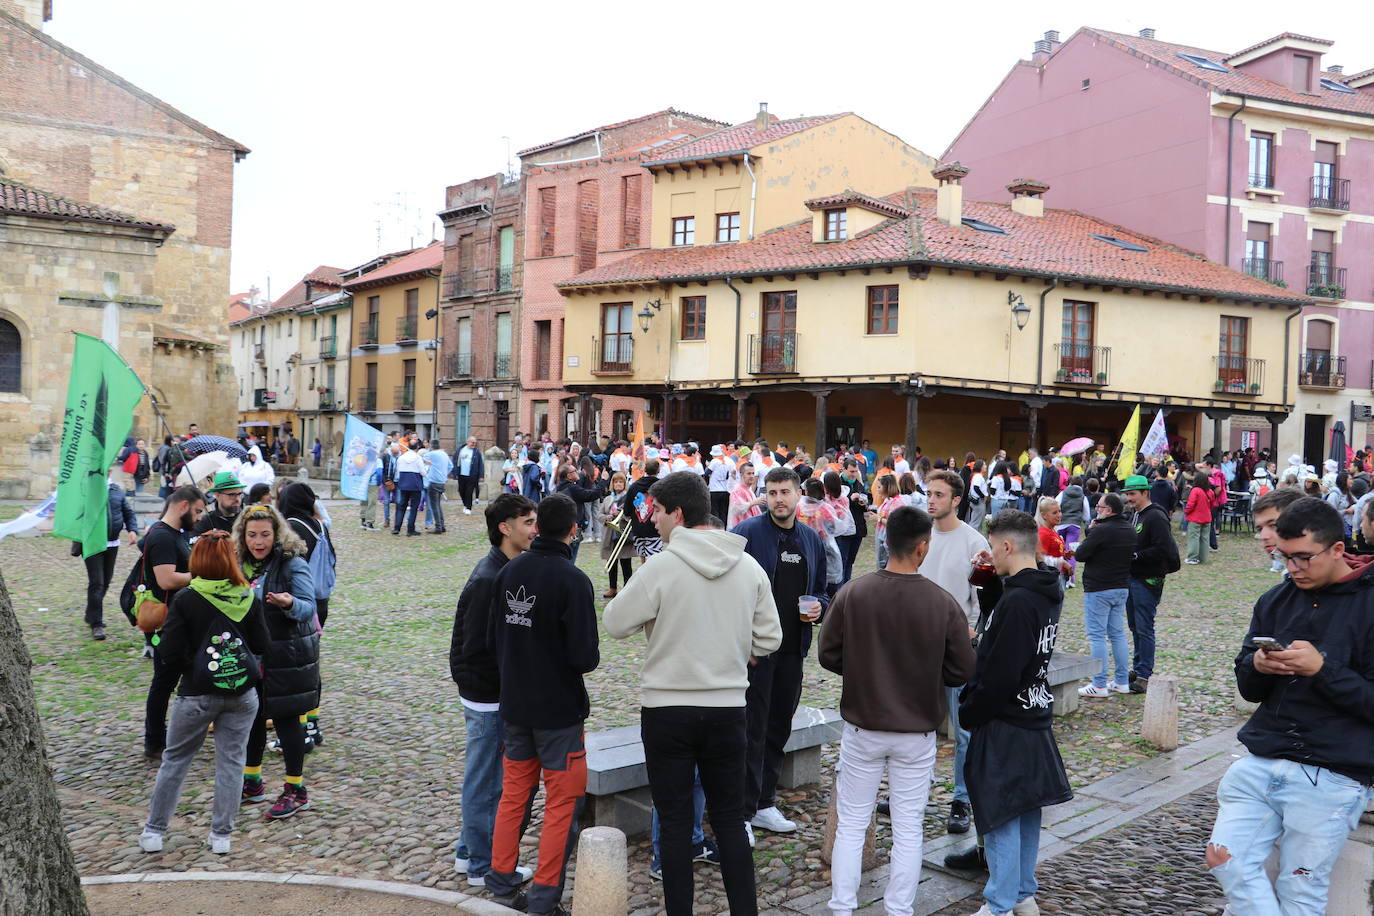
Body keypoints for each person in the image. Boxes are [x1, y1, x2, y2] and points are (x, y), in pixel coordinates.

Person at [605, 472, 781, 915]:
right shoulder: (749, 566)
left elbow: (614, 622)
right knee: (728, 820)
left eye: (658, 512)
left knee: (678, 822)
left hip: (668, 710)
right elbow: (770, 638)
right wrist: (736, 644)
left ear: (678, 514)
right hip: (726, 709)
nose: (653, 521)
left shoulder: (660, 567)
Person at [1206, 497, 1374, 914]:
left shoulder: (1368, 605)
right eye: (1285, 558)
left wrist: (1321, 669)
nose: (1293, 568)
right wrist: (1259, 664)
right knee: (1227, 862)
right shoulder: (1275, 600)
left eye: (1303, 558)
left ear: (1337, 549)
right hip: (1260, 760)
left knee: (1300, 892)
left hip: (1332, 773)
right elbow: (1248, 687)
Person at [819, 506, 976, 916]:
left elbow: (828, 653)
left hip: (864, 724)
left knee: (853, 824)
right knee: (909, 827)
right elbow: (962, 669)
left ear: (886, 542)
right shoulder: (942, 603)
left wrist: (861, 671)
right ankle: (899, 910)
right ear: (923, 547)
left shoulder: (854, 592)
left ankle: (841, 907)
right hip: (916, 729)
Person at [485, 493, 600, 915]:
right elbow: (584, 657)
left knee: (514, 795)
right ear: (573, 530)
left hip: (515, 705)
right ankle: (545, 898)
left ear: (537, 528)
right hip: (558, 713)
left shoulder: (510, 570)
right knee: (561, 804)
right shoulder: (572, 580)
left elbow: (492, 639)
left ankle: (500, 878)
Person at [961, 510, 1073, 916]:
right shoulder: (1045, 587)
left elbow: (999, 671)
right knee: (1025, 809)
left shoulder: (1020, 601)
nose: (990, 554)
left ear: (1007, 546)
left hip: (1006, 719)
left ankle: (999, 904)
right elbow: (1010, 636)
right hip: (1034, 713)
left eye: (993, 546)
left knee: (1002, 813)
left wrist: (969, 710)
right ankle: (1023, 893)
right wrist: (991, 592)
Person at [137, 530, 270, 855]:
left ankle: (154, 832)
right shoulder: (246, 596)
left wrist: (193, 667)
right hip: (241, 694)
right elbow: (263, 645)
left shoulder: (188, 598)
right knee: (231, 762)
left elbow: (168, 649)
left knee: (176, 760)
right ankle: (221, 835)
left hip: (196, 694)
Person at [734, 467, 829, 840]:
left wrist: (819, 605)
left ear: (798, 493)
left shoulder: (811, 539)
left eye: (784, 492)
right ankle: (741, 810)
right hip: (755, 652)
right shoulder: (746, 534)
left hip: (793, 647)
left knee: (778, 726)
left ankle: (764, 802)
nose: (778, 499)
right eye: (771, 492)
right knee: (750, 728)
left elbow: (822, 589)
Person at [449, 493, 537, 888]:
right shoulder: (490, 577)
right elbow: (479, 648)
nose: (534, 530)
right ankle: (483, 864)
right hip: (487, 694)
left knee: (487, 775)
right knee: (486, 779)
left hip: (489, 691)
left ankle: (469, 851)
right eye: (528, 522)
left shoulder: (504, 569)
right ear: (506, 528)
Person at [232, 504, 319, 819]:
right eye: (252, 534)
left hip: (287, 656)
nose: (259, 541)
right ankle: (252, 782)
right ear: (243, 535)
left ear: (276, 534)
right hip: (251, 655)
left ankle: (296, 790)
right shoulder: (240, 563)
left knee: (287, 719)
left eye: (265, 534)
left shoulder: (290, 564)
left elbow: (309, 607)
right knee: (251, 717)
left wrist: (289, 603)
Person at [922, 470, 989, 841]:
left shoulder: (972, 541)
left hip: (956, 648)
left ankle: (961, 799)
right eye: (928, 493)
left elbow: (982, 598)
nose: (931, 500)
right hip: (918, 646)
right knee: (916, 723)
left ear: (956, 500)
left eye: (938, 495)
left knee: (963, 729)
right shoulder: (921, 535)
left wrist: (972, 632)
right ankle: (916, 788)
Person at [138, 486, 207, 761]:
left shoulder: (176, 534)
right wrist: (201, 575)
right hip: (168, 625)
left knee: (177, 680)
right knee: (164, 683)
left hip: (181, 620)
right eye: (198, 511)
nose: (200, 517)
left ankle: (174, 733)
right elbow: (167, 579)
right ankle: (154, 740)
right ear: (183, 506)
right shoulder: (163, 537)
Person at [278, 482, 335, 747]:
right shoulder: (319, 524)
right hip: (319, 601)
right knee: (309, 662)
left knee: (294, 668)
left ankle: (301, 730)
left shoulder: (292, 527)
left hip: (298, 602)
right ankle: (312, 724)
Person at [1073, 493, 1135, 698]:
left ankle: (1099, 684)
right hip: (1121, 587)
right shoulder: (1129, 529)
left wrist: (1091, 531)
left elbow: (1081, 554)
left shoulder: (1102, 530)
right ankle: (1121, 681)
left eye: (1099, 507)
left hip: (1099, 588)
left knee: (1097, 636)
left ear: (1108, 510)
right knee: (1117, 635)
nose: (1096, 510)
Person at [1121, 474, 1177, 694]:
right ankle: (1139, 667)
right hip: (1132, 577)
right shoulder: (1135, 515)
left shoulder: (1155, 516)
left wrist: (1136, 556)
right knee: (1135, 626)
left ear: (1145, 493)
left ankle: (1145, 674)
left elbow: (1162, 548)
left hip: (1148, 579)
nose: (1129, 498)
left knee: (1144, 628)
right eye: (1127, 494)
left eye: (1133, 494)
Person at [82, 464, 140, 640]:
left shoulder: (116, 490)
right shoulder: (87, 489)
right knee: (97, 583)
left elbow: (128, 513)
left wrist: (132, 530)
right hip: (92, 544)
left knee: (105, 582)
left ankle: (91, 613)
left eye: (108, 467)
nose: (106, 470)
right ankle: (96, 624)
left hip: (112, 543)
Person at [600, 472, 635, 598]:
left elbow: (632, 515)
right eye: (616, 482)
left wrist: (622, 515)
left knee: (626, 564)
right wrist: (607, 517)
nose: (618, 484)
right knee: (612, 563)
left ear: (624, 484)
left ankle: (627, 588)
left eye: (621, 482)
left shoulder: (629, 499)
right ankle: (612, 588)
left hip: (623, 534)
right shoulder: (608, 499)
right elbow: (599, 515)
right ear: (612, 484)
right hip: (610, 534)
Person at [194, 471, 246, 535]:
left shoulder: (247, 518)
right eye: (232, 495)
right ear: (217, 495)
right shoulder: (205, 522)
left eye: (239, 494)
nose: (237, 499)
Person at [392, 439, 426, 536]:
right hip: (415, 485)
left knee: (401, 507)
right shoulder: (418, 458)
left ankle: (397, 528)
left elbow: (397, 473)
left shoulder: (401, 458)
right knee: (414, 508)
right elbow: (423, 472)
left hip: (403, 484)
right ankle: (410, 529)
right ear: (417, 447)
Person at [1184, 470, 1214, 564]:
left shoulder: (1195, 490)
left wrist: (1187, 512)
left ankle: (1192, 557)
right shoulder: (1210, 492)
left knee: (1194, 537)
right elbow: (1212, 505)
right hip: (1207, 517)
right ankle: (1203, 558)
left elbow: (1190, 505)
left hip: (1195, 518)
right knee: (1205, 538)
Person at [424, 438, 453, 534]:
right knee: (438, 505)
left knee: (434, 506)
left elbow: (422, 457)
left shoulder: (432, 454)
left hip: (434, 482)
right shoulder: (444, 454)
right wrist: (444, 474)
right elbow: (450, 466)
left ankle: (438, 527)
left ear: (431, 446)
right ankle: (442, 525)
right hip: (442, 482)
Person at [727, 462, 764, 530]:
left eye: (753, 473)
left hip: (749, 529)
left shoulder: (748, 489)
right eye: (749, 473)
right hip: (741, 530)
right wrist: (753, 503)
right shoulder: (737, 490)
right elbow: (736, 509)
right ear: (741, 475)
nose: (752, 476)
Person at [456, 436, 485, 515]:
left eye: (475, 443)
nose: (474, 444)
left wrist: (481, 475)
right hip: (461, 474)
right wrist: (454, 471)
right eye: (472, 442)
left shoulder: (476, 452)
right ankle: (465, 504)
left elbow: (480, 464)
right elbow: (456, 460)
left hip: (472, 474)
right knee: (461, 490)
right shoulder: (460, 449)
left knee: (469, 491)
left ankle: (469, 507)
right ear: (468, 442)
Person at [707, 444, 735, 522]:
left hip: (714, 490)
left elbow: (707, 472)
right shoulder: (725, 462)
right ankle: (723, 527)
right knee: (723, 511)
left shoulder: (714, 461)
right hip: (724, 489)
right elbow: (727, 476)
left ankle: (716, 527)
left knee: (714, 511)